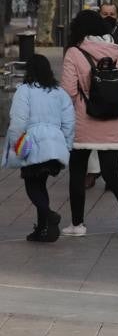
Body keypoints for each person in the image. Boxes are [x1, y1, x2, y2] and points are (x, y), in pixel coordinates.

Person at [61, 10, 118, 239]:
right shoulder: (117, 52)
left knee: (78, 173)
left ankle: (78, 224)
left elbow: (68, 92)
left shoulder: (74, 52)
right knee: (111, 172)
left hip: (83, 122)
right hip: (113, 120)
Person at [3, 55, 74, 242]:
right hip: (55, 145)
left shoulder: (24, 91)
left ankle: (49, 216)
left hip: (32, 143)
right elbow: (69, 122)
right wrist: (66, 146)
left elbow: (18, 121)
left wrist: (17, 145)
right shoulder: (60, 92)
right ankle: (43, 229)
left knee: (32, 186)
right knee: (41, 185)